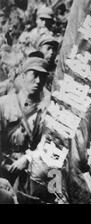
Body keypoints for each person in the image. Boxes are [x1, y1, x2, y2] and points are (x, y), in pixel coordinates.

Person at [0, 57, 50, 195]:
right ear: (23, 75)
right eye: (35, 75)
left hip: (28, 172)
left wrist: (28, 159)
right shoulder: (4, 103)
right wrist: (3, 163)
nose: (38, 81)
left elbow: (48, 144)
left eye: (43, 77)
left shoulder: (47, 111)